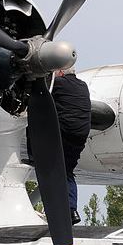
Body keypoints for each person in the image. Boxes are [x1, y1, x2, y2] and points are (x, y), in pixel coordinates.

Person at [51, 67, 91, 225]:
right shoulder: (83, 85)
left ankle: (57, 209)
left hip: (64, 132)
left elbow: (39, 95)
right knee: (67, 171)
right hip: (80, 136)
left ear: (60, 72)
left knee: (49, 166)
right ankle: (71, 210)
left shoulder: (58, 84)